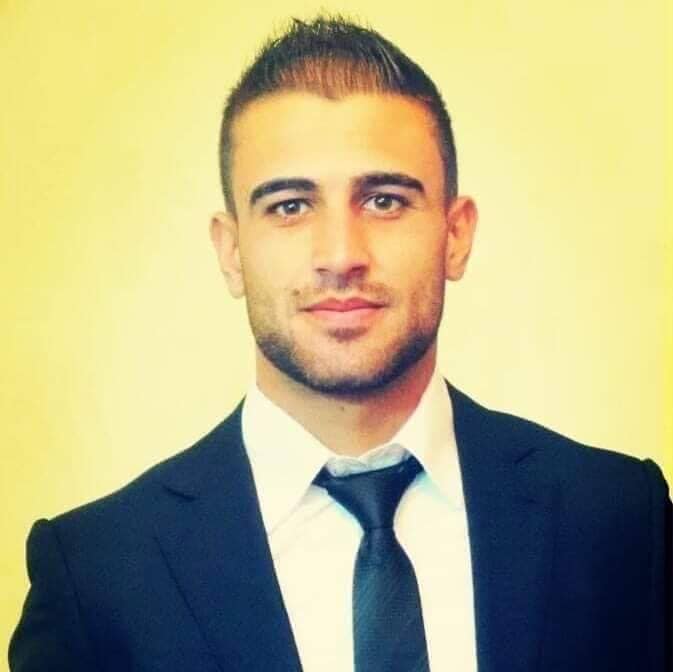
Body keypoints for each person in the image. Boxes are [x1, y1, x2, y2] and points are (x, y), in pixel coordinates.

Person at [9, 15, 671, 672]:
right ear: (231, 251)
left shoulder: (618, 519)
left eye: (384, 200)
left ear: (455, 235)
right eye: (290, 206)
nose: (340, 254)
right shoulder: (94, 575)